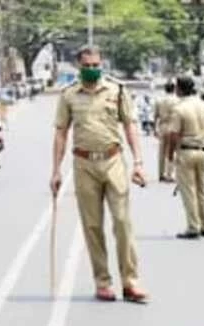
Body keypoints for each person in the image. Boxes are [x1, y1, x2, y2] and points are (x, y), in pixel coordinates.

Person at [51, 45, 148, 303]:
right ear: (79, 66)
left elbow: (130, 126)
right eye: (87, 66)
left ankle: (130, 281)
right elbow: (61, 133)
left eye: (96, 65)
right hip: (84, 164)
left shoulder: (117, 91)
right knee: (92, 226)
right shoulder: (69, 95)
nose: (92, 69)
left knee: (122, 222)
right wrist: (56, 171)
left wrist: (138, 162)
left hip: (113, 160)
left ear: (101, 65)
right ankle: (102, 281)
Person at [168, 76, 204, 240]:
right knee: (202, 190)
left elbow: (174, 134)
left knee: (188, 191)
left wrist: (171, 154)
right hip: (203, 150)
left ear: (179, 89)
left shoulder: (179, 109)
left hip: (186, 151)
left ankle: (193, 227)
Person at [154, 81, 178, 182]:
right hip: (173, 125)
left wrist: (154, 128)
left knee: (161, 151)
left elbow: (155, 116)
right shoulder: (177, 100)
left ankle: (161, 173)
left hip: (162, 125)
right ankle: (169, 173)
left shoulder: (159, 100)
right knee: (172, 150)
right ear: (174, 88)